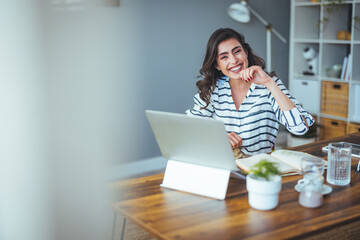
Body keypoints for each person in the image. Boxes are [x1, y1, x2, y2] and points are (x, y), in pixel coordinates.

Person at [186, 28, 314, 156]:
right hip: (222, 161)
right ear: (217, 65)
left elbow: (300, 127)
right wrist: (219, 137)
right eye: (224, 57)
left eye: (237, 52)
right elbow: (191, 127)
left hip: (258, 167)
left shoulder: (269, 83)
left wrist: (268, 83)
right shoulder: (213, 88)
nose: (233, 60)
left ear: (246, 53)